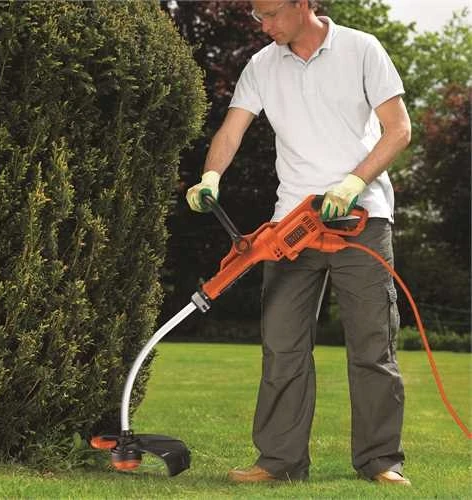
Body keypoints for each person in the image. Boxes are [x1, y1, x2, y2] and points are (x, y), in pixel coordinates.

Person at [186, 0, 412, 486]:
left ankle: (380, 461)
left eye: (271, 14)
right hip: (291, 227)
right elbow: (231, 130)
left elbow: (399, 130)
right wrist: (211, 175)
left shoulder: (362, 49)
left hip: (361, 218)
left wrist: (354, 182)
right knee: (282, 344)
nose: (264, 26)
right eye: (257, 16)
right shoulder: (262, 65)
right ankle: (279, 461)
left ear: (304, 4)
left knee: (372, 345)